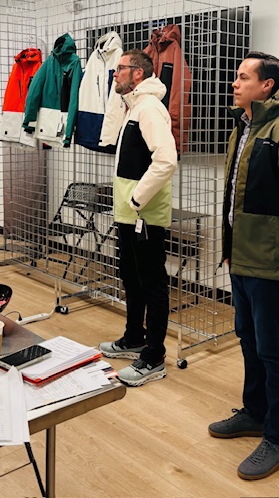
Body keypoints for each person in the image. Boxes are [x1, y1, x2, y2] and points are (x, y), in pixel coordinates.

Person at [208, 51, 279, 480]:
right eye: (236, 77)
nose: (234, 83)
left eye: (243, 77)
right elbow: (236, 198)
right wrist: (229, 247)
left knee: (273, 350)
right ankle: (254, 412)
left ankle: (276, 438)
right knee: (247, 337)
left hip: (271, 266)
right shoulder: (243, 128)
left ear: (267, 86)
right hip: (242, 260)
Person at [99, 49, 178, 386]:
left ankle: (154, 356)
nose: (114, 74)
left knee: (152, 283)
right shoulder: (133, 107)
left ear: (137, 74)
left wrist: (137, 197)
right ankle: (134, 337)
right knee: (130, 276)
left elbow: (166, 160)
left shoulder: (149, 109)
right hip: (130, 213)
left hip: (144, 213)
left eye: (120, 69)